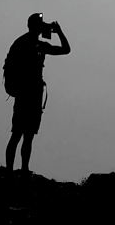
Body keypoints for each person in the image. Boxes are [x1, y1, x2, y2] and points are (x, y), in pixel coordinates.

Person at [4, 13, 70, 176]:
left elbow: (66, 50)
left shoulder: (39, 46)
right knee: (17, 133)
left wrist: (59, 32)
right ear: (33, 26)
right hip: (24, 92)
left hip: (35, 94)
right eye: (40, 24)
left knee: (29, 135)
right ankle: (9, 171)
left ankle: (24, 168)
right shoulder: (22, 42)